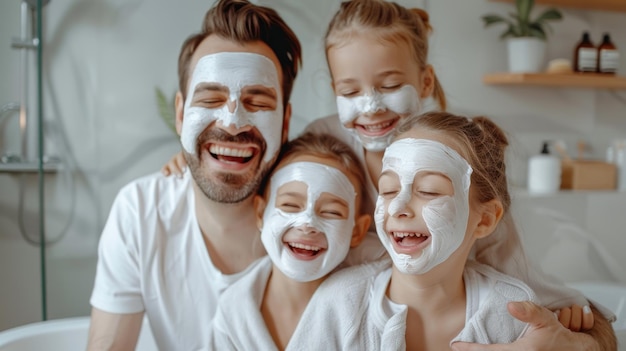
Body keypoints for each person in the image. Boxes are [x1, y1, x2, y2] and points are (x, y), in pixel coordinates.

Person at [160, 0, 616, 348]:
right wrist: (189, 157)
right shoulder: (326, 143)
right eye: (350, 90)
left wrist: (581, 339)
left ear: (425, 82)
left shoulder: (463, 171)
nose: (371, 106)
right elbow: (255, 175)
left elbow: (538, 293)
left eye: (391, 85)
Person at [86, 0, 302, 349]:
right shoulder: (140, 212)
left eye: (258, 102)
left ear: (286, 122)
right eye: (210, 99)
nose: (232, 123)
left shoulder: (318, 221)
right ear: (181, 114)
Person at [329, 111, 617, 350]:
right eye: (388, 189)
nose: (398, 207)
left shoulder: (514, 312)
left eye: (429, 191)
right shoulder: (340, 304)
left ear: (485, 220)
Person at [209, 131, 384, 350]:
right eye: (290, 206)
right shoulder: (232, 312)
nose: (307, 223)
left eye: (331, 212)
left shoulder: (370, 307)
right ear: (261, 213)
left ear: (357, 231)